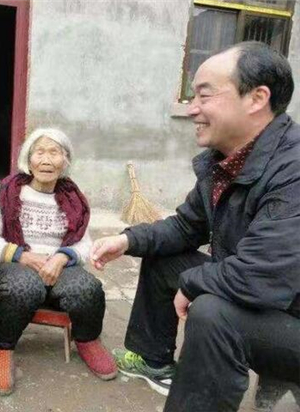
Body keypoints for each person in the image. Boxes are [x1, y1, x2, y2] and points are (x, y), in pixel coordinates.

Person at [91, 41, 300, 411]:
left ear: (256, 98)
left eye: (204, 95)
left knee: (212, 313)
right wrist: (128, 240)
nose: (191, 109)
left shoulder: (293, 168)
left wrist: (192, 284)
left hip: (288, 311)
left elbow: (260, 277)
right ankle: (154, 361)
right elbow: (186, 227)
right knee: (164, 256)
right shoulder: (224, 162)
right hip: (271, 299)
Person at [0, 128, 117, 396]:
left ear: (65, 160)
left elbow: (84, 244)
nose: (46, 160)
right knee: (23, 287)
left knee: (88, 288)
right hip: (16, 264)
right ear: (28, 158)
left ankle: (87, 339)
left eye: (54, 152)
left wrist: (62, 256)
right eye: (39, 152)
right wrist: (22, 255)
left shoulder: (74, 198)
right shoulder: (8, 192)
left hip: (59, 266)